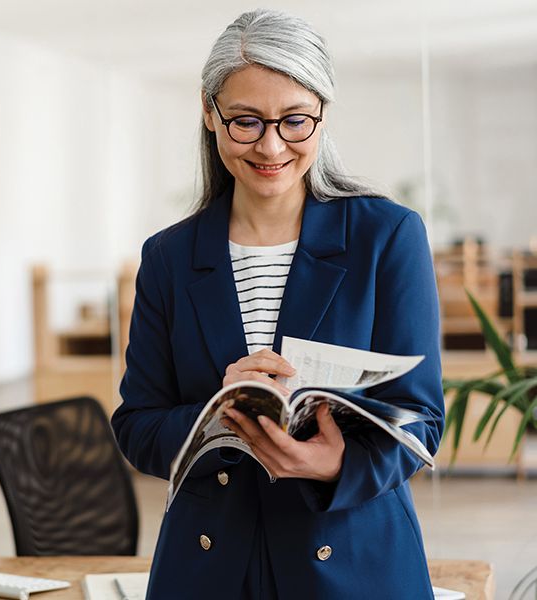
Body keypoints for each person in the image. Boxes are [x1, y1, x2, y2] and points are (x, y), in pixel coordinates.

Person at [112, 8, 444, 600]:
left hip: (349, 561)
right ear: (210, 114)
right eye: (245, 121)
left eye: (295, 120)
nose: (271, 146)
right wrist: (218, 414)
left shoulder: (386, 236)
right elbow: (137, 425)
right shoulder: (167, 256)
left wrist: (336, 465)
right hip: (208, 565)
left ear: (323, 115)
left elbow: (420, 418)